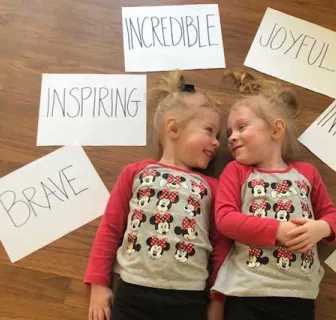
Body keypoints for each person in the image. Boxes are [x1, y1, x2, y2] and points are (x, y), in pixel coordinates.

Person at [84, 71, 228, 320]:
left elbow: (221, 246)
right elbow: (110, 228)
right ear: (173, 128)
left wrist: (217, 299)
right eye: (209, 131)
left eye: (217, 136)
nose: (216, 142)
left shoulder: (213, 186)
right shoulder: (136, 172)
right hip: (132, 293)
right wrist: (99, 284)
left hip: (189, 297)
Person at [212, 69, 336, 320]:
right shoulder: (237, 171)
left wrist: (322, 229)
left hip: (299, 296)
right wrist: (276, 231)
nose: (233, 137)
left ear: (276, 129)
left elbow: (331, 213)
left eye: (241, 127)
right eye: (230, 133)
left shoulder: (307, 173)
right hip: (247, 292)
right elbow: (225, 219)